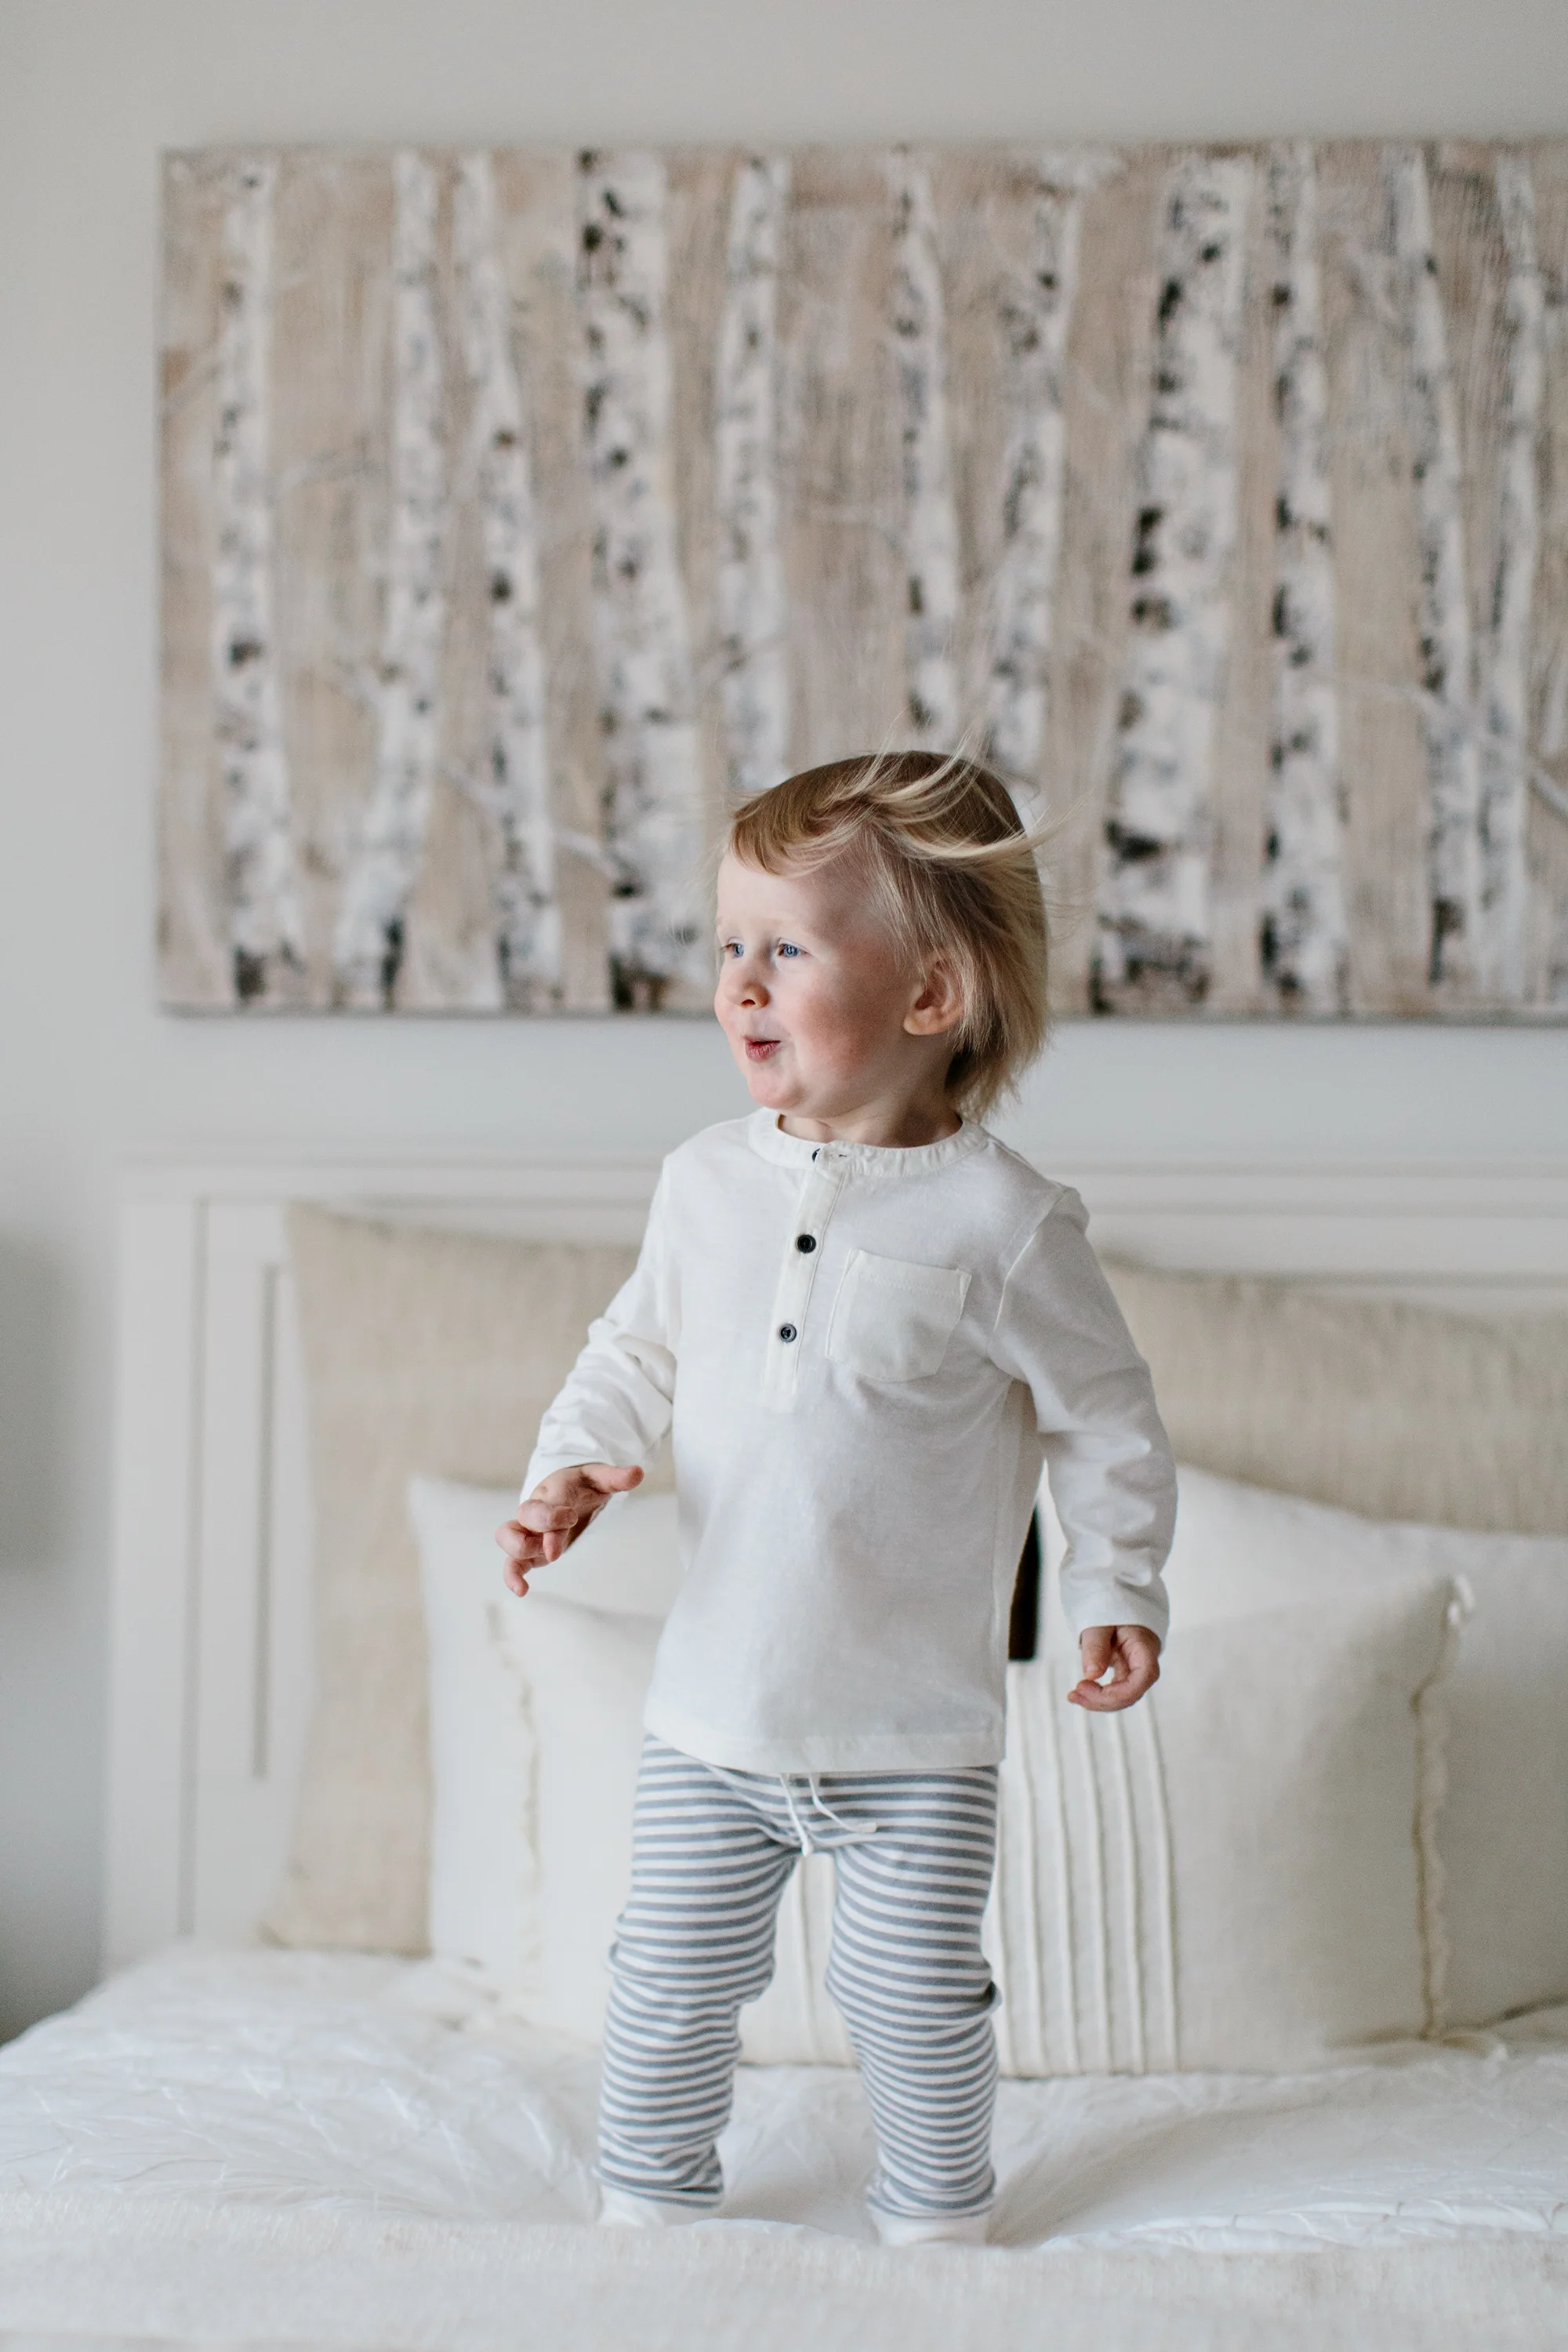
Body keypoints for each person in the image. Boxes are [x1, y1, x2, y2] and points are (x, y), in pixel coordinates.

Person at [495, 751, 1175, 2245]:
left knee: (912, 1994)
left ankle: (938, 2232)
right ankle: (647, 2215)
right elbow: (633, 1347)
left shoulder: (1004, 1221)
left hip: (913, 1730)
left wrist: (1117, 1581)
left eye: (787, 950)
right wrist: (570, 1463)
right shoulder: (703, 1183)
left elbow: (1107, 1419)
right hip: (714, 1709)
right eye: (729, 944)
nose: (739, 982)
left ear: (931, 994)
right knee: (668, 1976)